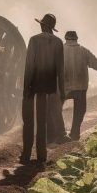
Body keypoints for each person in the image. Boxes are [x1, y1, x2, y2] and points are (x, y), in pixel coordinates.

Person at [21, 13, 64, 165]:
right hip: (48, 86)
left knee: (28, 121)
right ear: (52, 28)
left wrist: (26, 86)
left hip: (33, 83)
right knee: (42, 121)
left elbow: (29, 65)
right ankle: (41, 154)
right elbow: (60, 69)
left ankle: (26, 154)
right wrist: (62, 91)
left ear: (42, 25)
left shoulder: (34, 40)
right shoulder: (58, 42)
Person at [59, 30, 97, 141]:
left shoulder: (60, 50)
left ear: (65, 38)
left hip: (64, 87)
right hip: (80, 87)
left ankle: (60, 133)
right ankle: (75, 133)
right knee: (80, 110)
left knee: (57, 109)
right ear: (76, 39)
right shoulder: (84, 51)